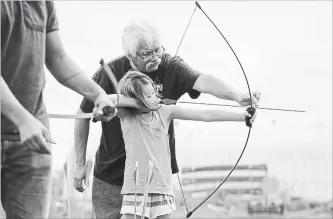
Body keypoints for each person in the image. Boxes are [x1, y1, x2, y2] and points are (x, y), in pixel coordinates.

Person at [73, 21, 260, 219]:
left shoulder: (168, 81)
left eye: (157, 50)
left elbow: (204, 84)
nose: (155, 58)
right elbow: (88, 112)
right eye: (147, 54)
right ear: (130, 56)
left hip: (156, 181)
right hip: (111, 176)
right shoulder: (110, 75)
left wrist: (238, 98)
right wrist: (79, 164)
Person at [1, 1, 115, 218]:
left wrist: (97, 94)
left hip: (32, 138)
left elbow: (57, 57)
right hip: (26, 125)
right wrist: (21, 119)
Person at [108, 70, 257, 219]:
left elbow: (205, 115)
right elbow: (109, 99)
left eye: (154, 93)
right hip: (136, 189)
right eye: (148, 96)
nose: (154, 98)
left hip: (162, 189)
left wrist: (241, 117)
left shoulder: (164, 112)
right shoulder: (127, 116)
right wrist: (139, 103)